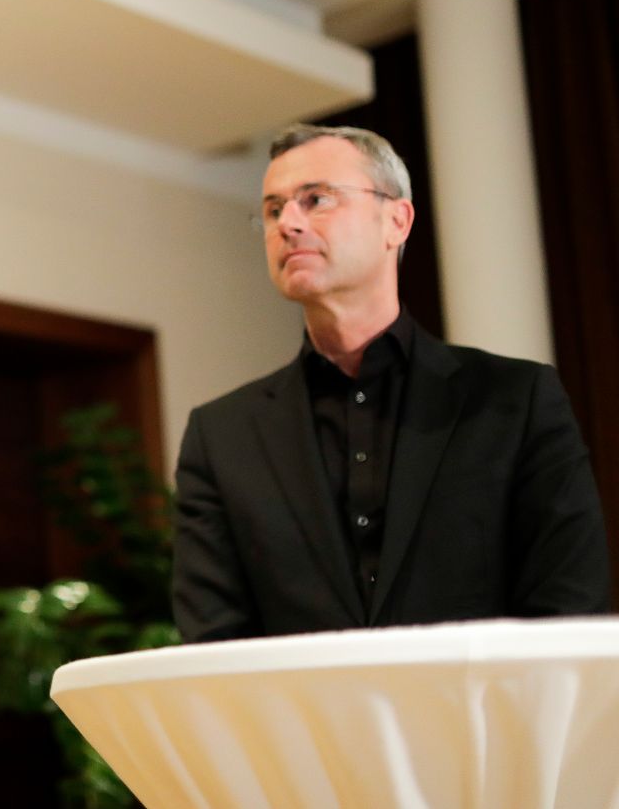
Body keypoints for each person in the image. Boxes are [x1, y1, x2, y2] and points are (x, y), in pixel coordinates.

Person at [173, 123, 609, 642]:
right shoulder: (222, 436)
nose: (288, 223)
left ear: (396, 221)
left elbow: (568, 608)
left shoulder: (516, 400)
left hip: (480, 720)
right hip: (305, 724)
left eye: (315, 199)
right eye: (273, 209)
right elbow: (215, 642)